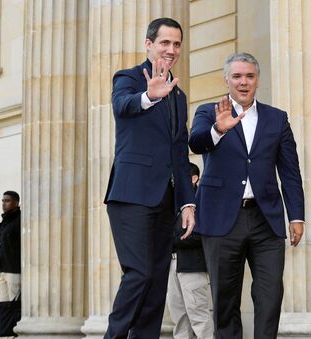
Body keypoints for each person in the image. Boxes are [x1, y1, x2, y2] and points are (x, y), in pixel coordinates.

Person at [189, 52, 305, 338]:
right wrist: (218, 128)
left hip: (266, 219)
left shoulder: (277, 119)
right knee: (225, 301)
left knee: (270, 296)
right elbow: (196, 141)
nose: (243, 82)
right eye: (237, 76)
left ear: (257, 80)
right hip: (221, 220)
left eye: (249, 76)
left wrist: (297, 216)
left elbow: (290, 171)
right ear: (226, 79)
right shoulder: (208, 111)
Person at [103, 17, 196, 339]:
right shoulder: (129, 78)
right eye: (164, 43)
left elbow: (179, 151)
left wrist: (187, 202)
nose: (171, 50)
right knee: (139, 273)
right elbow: (122, 106)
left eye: (176, 44)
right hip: (130, 195)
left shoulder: (179, 95)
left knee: (157, 280)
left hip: (165, 200)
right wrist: (149, 96)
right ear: (148, 44)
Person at [166, 162, 213, 339]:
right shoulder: (172, 203)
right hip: (172, 265)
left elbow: (201, 235)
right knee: (178, 318)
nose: (174, 181)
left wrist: (171, 240)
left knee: (198, 316)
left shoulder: (202, 202)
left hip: (193, 266)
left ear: (194, 179)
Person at [0, 191, 21, 302]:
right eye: (3, 201)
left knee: (14, 306)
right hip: (3, 272)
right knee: (4, 306)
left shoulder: (20, 220)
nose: (4, 204)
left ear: (16, 203)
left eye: (7, 201)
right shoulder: (3, 223)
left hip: (14, 271)